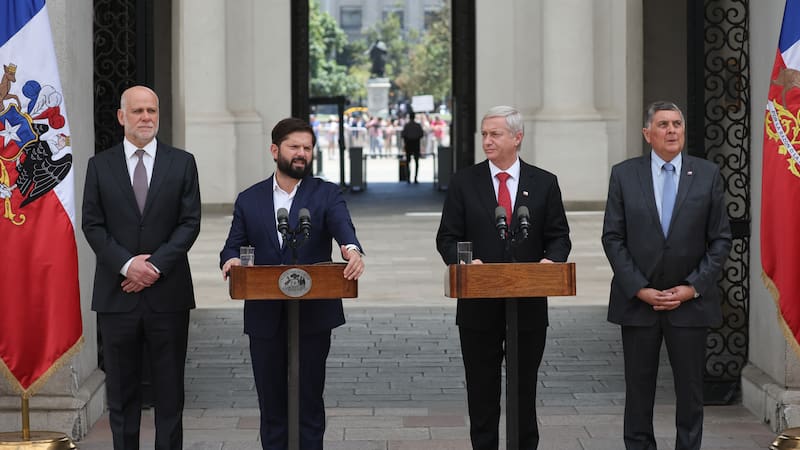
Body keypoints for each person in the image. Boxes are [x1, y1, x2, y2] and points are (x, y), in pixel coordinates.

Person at [219, 117, 365, 450]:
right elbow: (232, 246)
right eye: (294, 147)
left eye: (307, 148)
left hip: (313, 315)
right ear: (275, 150)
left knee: (309, 399)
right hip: (265, 316)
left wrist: (352, 250)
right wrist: (231, 260)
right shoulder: (249, 199)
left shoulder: (326, 193)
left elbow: (344, 228)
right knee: (271, 403)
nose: (301, 154)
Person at [436, 105, 571, 449]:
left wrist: (551, 261)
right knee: (481, 392)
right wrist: (467, 262)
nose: (487, 140)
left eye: (495, 134)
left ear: (517, 137)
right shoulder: (464, 182)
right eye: (484, 134)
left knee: (524, 389)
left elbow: (559, 236)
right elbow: (447, 237)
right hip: (478, 306)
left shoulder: (544, 182)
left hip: (528, 305)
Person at [601, 101, 731, 450]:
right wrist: (639, 288)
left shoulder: (707, 174)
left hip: (689, 305)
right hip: (639, 304)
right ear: (647, 133)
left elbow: (720, 239)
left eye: (677, 124)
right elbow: (612, 238)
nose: (672, 130)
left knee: (690, 392)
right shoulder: (624, 175)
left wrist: (692, 287)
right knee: (638, 391)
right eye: (663, 124)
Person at [82, 85, 201, 450]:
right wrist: (127, 265)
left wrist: (153, 268)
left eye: (152, 110)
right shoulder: (99, 166)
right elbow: (92, 224)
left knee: (170, 393)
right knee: (122, 394)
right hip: (117, 297)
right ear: (122, 117)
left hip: (169, 296)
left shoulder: (182, 162)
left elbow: (190, 223)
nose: (146, 117)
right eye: (138, 111)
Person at [401, 112, 424, 184]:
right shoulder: (417, 125)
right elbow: (421, 134)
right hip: (416, 144)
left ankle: (408, 178)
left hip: (409, 144)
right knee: (416, 162)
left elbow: (403, 135)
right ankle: (415, 178)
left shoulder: (407, 126)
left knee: (408, 162)